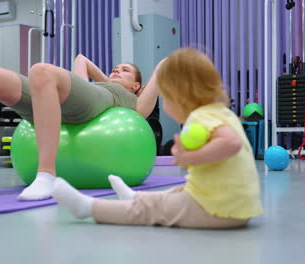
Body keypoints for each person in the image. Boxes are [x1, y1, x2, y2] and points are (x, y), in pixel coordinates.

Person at [52, 48, 263, 229]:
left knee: (153, 211)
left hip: (219, 211)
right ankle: (135, 196)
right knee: (177, 192)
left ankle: (88, 208)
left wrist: (191, 158)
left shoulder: (202, 116)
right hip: (233, 205)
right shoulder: (219, 112)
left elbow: (231, 144)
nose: (165, 106)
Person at [0, 54, 162, 201]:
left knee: (41, 70)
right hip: (74, 97)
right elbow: (81, 60)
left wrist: (120, 85)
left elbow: (164, 68)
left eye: (125, 70)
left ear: (136, 85)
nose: (117, 70)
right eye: (116, 67)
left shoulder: (133, 100)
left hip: (92, 104)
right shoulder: (102, 84)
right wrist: (108, 78)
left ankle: (46, 175)